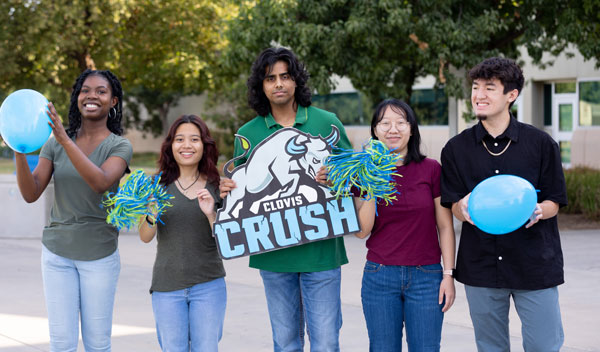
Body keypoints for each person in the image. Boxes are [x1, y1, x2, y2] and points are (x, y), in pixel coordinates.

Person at [219, 47, 353, 351]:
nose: (278, 84)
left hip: (322, 254)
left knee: (326, 343)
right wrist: (226, 190)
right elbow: (240, 191)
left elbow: (355, 180)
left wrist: (339, 179)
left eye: (285, 76)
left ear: (296, 81)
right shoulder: (248, 132)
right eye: (270, 79)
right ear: (261, 86)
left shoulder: (327, 123)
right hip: (273, 255)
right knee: (285, 344)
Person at [440, 57, 567, 352]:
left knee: (544, 346)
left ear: (512, 95)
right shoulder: (456, 149)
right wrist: (464, 208)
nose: (479, 95)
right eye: (475, 87)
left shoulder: (541, 144)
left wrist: (538, 210)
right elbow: (453, 204)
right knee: (491, 347)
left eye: (489, 88)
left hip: (535, 265)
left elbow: (555, 201)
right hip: (481, 267)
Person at [14, 69, 132, 352]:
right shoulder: (54, 143)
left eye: (101, 91)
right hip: (57, 255)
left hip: (99, 256)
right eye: (85, 90)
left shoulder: (120, 145)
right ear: (77, 97)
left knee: (97, 344)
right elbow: (31, 193)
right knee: (62, 343)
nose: (92, 96)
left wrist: (66, 141)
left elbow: (100, 182)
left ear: (113, 101)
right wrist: (18, 146)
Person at [353, 99, 455, 351]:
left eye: (400, 122)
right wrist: (371, 179)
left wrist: (448, 274)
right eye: (385, 123)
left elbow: (444, 226)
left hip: (427, 277)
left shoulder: (431, 169)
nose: (393, 129)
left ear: (412, 129)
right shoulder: (362, 172)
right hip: (379, 275)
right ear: (375, 130)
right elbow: (362, 231)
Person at [139, 114, 226, 352]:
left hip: (208, 285)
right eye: (180, 139)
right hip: (167, 287)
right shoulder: (156, 185)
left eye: (194, 139)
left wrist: (210, 213)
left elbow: (227, 243)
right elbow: (145, 236)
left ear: (204, 145)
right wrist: (152, 212)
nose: (187, 145)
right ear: (171, 146)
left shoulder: (219, 185)